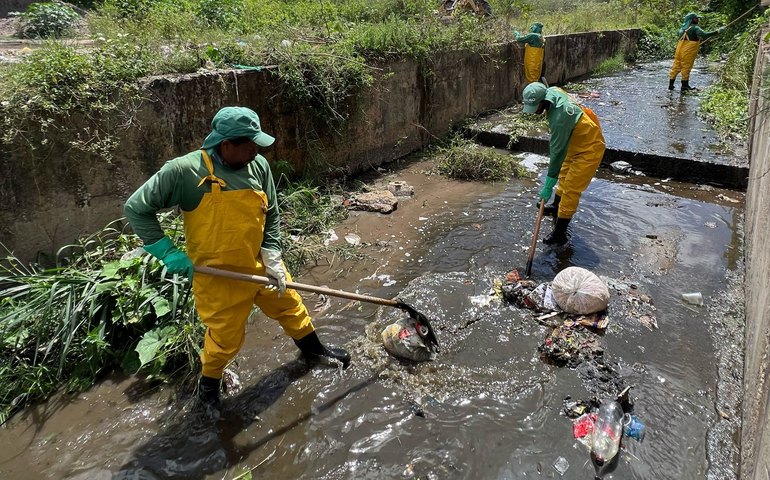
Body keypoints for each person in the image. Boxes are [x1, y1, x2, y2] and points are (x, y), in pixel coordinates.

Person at [124, 106, 351, 410]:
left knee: (291, 306)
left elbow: (271, 213)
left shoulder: (258, 166)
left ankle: (314, 351)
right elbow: (137, 208)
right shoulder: (184, 171)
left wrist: (271, 253)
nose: (256, 151)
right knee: (224, 339)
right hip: (220, 277)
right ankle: (208, 391)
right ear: (225, 144)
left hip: (261, 266)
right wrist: (167, 253)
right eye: (250, 145)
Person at [521, 82, 606, 245]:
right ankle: (555, 206)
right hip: (575, 140)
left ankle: (560, 233)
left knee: (571, 190)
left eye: (536, 107)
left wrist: (548, 184)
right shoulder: (552, 91)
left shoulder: (560, 118)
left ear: (543, 101)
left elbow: (556, 153)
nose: (535, 111)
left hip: (589, 148)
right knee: (564, 174)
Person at [668, 12, 725, 91]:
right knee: (686, 67)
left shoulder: (681, 29)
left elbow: (688, 39)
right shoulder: (695, 28)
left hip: (679, 51)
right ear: (692, 20)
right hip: (687, 52)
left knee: (676, 66)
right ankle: (684, 86)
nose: (698, 19)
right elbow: (704, 35)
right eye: (696, 18)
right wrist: (717, 31)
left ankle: (671, 85)